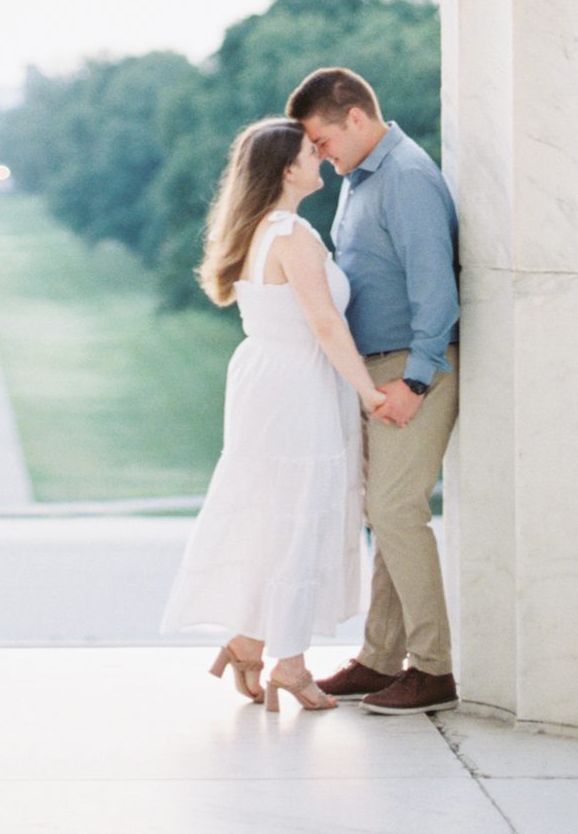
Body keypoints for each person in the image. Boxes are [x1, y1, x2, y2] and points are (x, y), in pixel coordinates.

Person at [161, 118, 387, 710]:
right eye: (312, 153)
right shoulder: (293, 235)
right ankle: (286, 661)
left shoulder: (259, 230)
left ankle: (250, 643)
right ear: (288, 169)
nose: (322, 158)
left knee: (277, 512)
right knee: (300, 513)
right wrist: (368, 391)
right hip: (297, 383)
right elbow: (325, 323)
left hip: (267, 377)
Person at [288, 66, 460, 715]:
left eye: (322, 143)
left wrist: (415, 379)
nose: (321, 159)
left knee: (395, 511)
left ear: (354, 118)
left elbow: (436, 290)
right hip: (376, 368)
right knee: (382, 515)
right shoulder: (361, 179)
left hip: (415, 367)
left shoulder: (408, 178)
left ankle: (435, 668)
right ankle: (381, 657)